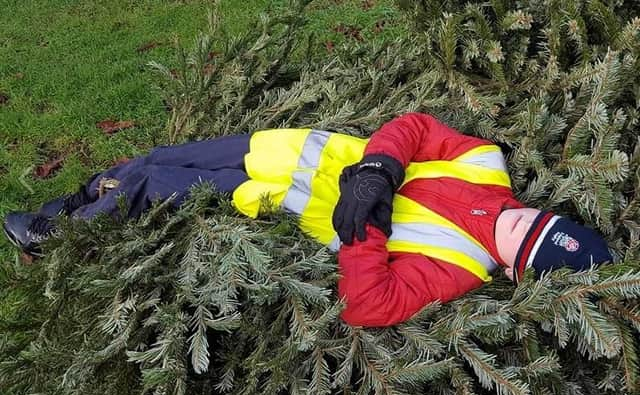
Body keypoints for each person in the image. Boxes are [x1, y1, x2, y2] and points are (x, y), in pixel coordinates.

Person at [3, 113, 613, 326]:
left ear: (516, 271)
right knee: (155, 159)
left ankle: (56, 236)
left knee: (151, 184)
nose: (515, 222)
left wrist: (364, 229)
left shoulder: (457, 269)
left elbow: (367, 306)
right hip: (288, 149)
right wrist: (379, 167)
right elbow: (418, 126)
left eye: (523, 241)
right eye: (531, 218)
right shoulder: (487, 169)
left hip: (268, 195)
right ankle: (68, 208)